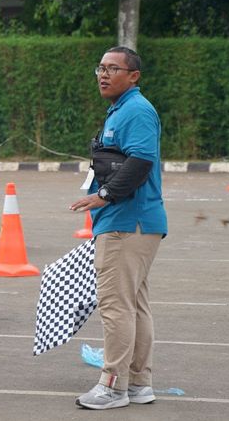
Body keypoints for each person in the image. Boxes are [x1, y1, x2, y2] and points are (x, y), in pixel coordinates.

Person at [68, 46, 167, 410]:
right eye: (101, 68)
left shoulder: (137, 110)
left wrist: (105, 196)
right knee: (135, 305)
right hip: (133, 222)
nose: (104, 75)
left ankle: (112, 386)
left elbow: (141, 161)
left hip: (128, 222)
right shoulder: (122, 110)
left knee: (116, 307)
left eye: (113, 69)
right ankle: (139, 383)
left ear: (134, 76)